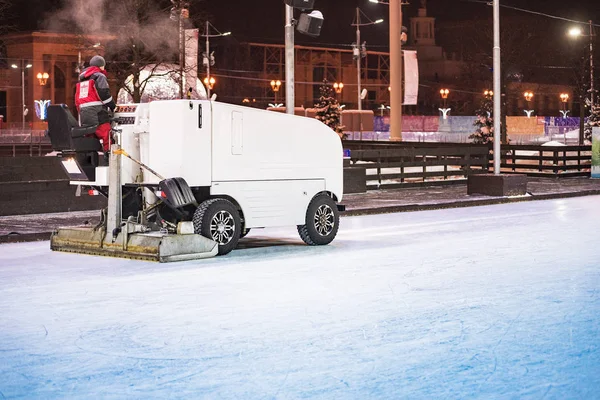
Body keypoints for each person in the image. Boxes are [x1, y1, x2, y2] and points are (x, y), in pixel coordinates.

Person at [75, 55, 115, 152]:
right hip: (98, 112)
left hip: (84, 112)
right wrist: (113, 106)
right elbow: (104, 93)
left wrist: (80, 110)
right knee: (106, 135)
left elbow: (77, 98)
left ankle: (91, 160)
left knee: (90, 136)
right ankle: (109, 159)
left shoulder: (82, 79)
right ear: (101, 66)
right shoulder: (99, 76)